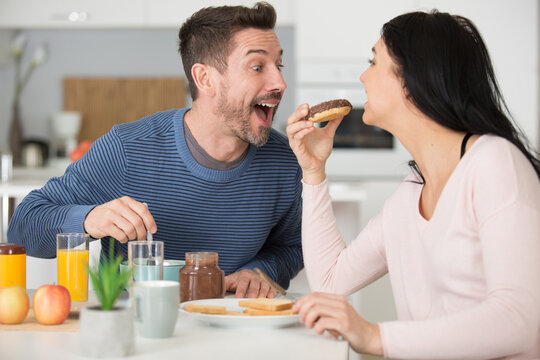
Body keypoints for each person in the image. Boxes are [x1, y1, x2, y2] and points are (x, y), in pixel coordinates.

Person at [286, 10, 540, 359]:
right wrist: (313, 171)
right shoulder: (408, 197)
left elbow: (519, 320)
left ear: (410, 79)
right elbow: (330, 281)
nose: (362, 76)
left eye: (373, 62)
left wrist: (374, 336)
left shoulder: (495, 163)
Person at [8, 2, 303, 298]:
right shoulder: (127, 149)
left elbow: (292, 247)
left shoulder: (284, 162)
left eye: (278, 65)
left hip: (234, 327)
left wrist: (261, 270)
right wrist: (89, 218)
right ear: (205, 79)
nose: (280, 82)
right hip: (135, 332)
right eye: (257, 67)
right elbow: (23, 227)